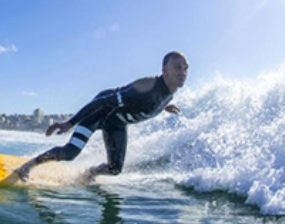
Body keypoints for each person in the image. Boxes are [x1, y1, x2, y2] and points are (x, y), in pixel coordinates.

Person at [15, 51, 189, 182]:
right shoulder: (146, 86)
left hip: (116, 125)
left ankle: (89, 173)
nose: (183, 72)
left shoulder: (168, 93)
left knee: (114, 170)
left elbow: (153, 100)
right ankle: (27, 167)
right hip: (99, 113)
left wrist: (164, 106)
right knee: (70, 153)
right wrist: (69, 123)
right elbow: (103, 102)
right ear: (165, 70)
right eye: (177, 67)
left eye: (185, 68)